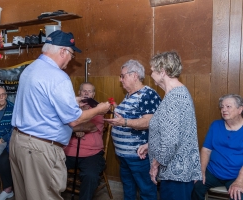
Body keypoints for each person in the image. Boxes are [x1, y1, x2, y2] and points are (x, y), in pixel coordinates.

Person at [10, 30, 110, 200]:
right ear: (63, 51)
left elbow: (42, 102)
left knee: (24, 195)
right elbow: (75, 120)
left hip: (18, 142)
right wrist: (100, 109)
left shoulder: (30, 69)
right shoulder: (58, 76)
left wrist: (72, 101)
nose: (71, 60)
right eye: (71, 54)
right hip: (39, 148)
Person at [138, 51, 202, 200]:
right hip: (180, 171)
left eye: (152, 70)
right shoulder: (179, 92)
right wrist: (151, 145)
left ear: (163, 72)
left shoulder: (173, 97)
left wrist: (155, 165)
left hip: (176, 173)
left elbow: (171, 141)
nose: (151, 73)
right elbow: (175, 132)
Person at [104, 59, 161, 200]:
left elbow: (150, 122)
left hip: (139, 156)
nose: (120, 79)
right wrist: (119, 119)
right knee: (128, 190)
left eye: (123, 76)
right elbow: (131, 119)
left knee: (146, 191)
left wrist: (123, 122)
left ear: (134, 75)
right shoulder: (129, 95)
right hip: (125, 156)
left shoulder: (148, 94)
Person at [192, 94, 243, 200]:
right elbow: (206, 150)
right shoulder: (216, 125)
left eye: (228, 106)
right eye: (222, 107)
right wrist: (201, 170)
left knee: (238, 196)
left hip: (236, 175)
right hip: (213, 172)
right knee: (194, 185)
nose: (224, 110)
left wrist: (239, 181)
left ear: (240, 109)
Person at [64, 82, 105, 200]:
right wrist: (76, 129)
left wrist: (72, 128)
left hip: (92, 153)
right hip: (68, 152)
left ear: (94, 94)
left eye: (90, 91)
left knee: (90, 176)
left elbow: (90, 126)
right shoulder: (70, 108)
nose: (86, 93)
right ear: (79, 92)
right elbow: (62, 123)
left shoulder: (98, 109)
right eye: (84, 90)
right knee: (50, 168)